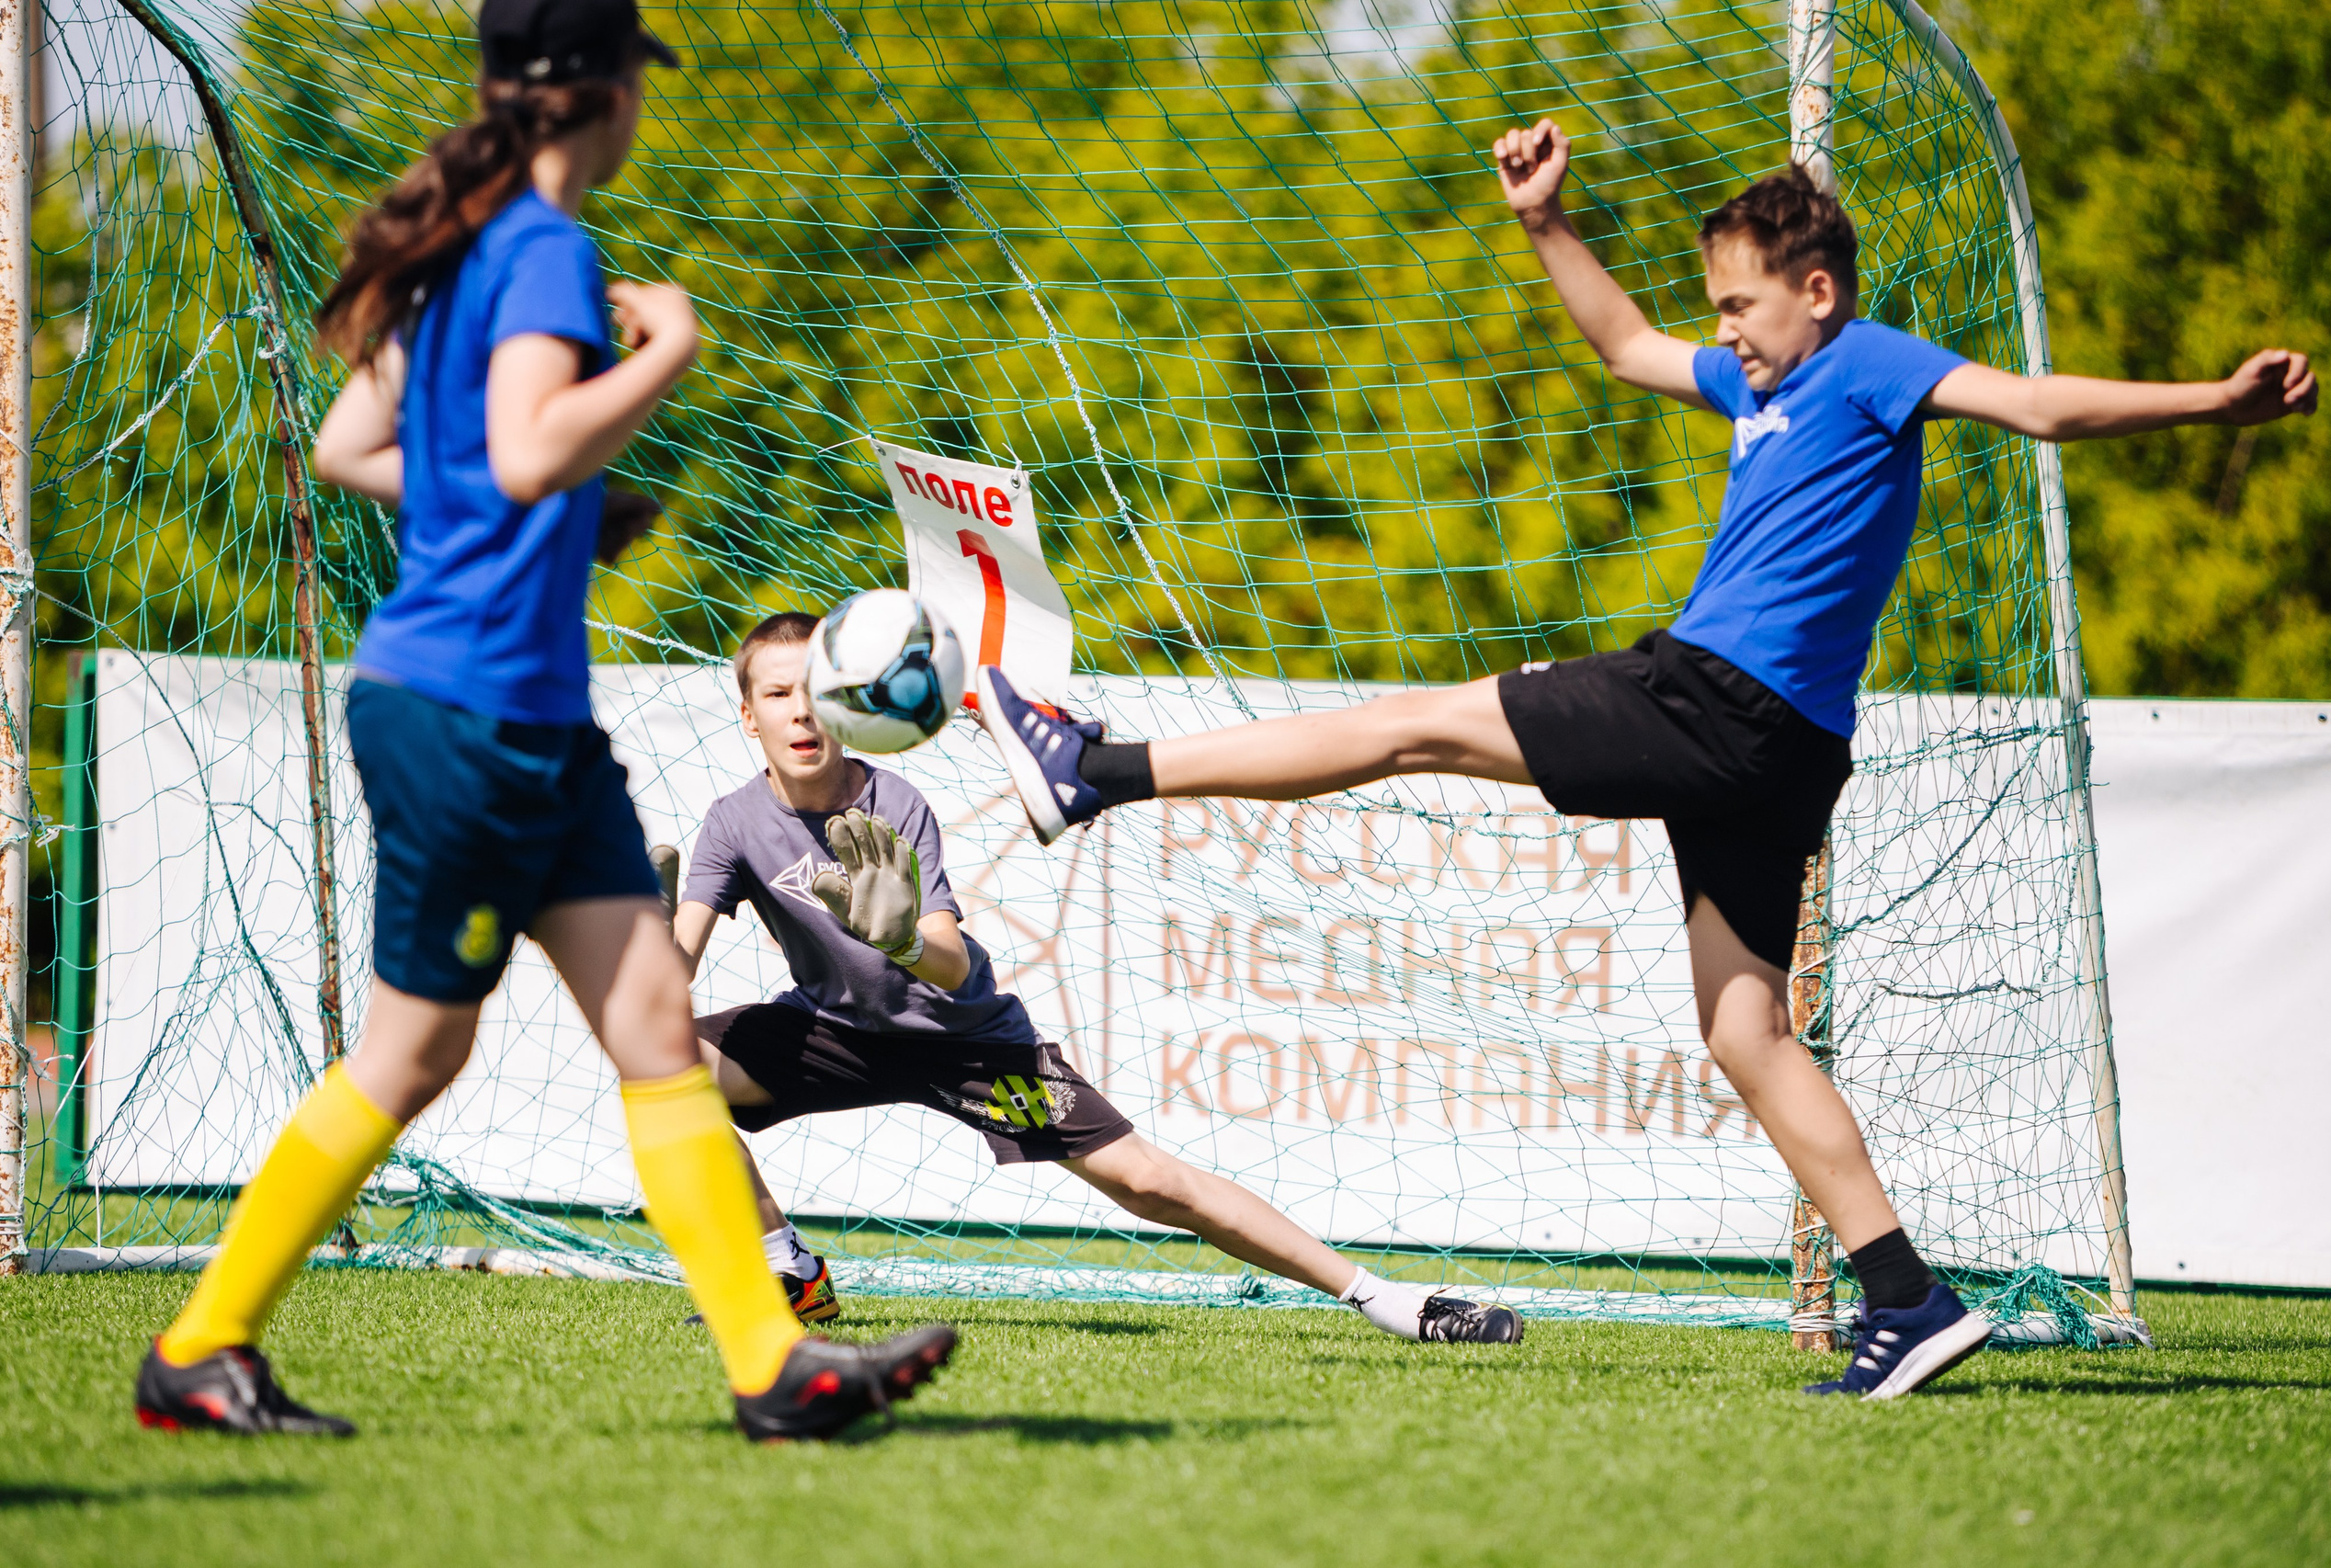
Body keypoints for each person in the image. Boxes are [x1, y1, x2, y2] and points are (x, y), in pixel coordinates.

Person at [977, 117, 2317, 1399]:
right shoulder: (1761, 378)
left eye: (1742, 304)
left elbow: (2036, 409)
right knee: (1747, 1030)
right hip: (1784, 749)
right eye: (1719, 308)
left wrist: (2213, 401)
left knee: (1414, 725)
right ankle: (1910, 1301)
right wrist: (1547, 222)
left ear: (1818, 289)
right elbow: (1625, 346)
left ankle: (1096, 767)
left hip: (1718, 700)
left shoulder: (1873, 363)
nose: (1725, 331)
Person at [132, 0, 954, 1442]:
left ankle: (774, 1364)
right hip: (467, 713)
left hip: (530, 722)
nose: (646, 101)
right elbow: (519, 447)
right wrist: (667, 357)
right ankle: (199, 1346)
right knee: (413, 1054)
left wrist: (557, 511)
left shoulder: (467, 248)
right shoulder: (542, 250)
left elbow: (354, 448)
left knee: (652, 1026)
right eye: (640, 75)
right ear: (599, 89)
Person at [667, 613, 1526, 1346]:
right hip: (835, 1034)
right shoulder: (733, 822)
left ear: (852, 700)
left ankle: (1387, 1301)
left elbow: (950, 959)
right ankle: (788, 1270)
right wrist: (638, 931)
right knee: (664, 1075)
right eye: (776, 695)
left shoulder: (894, 804)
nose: (799, 710)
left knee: (1151, 1183)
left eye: (815, 688)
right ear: (749, 717)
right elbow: (667, 982)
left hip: (966, 1045)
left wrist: (897, 938)